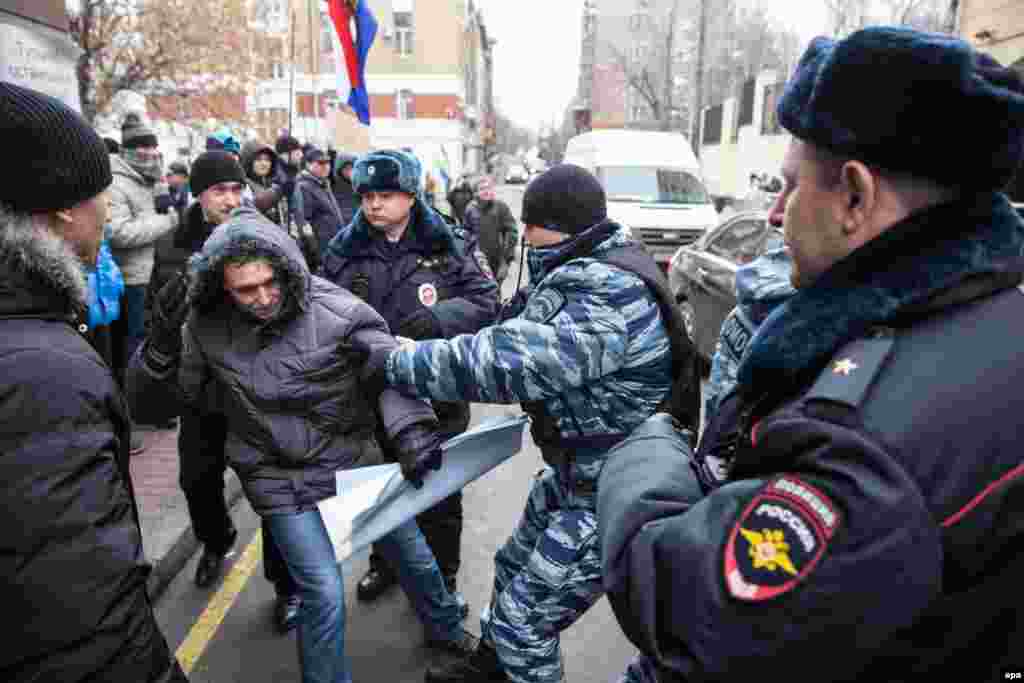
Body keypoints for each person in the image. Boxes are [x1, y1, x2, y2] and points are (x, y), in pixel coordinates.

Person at [596, 26, 1024, 683]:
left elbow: (688, 606)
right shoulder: (987, 314)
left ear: (854, 197)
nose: (774, 213)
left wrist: (644, 448)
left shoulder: (862, 444)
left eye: (790, 186)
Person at [359, 163, 697, 683]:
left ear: (549, 227)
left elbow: (506, 364)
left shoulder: (603, 289)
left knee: (525, 622)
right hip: (578, 472)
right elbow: (509, 330)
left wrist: (401, 362)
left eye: (529, 226)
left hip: (613, 491)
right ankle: (493, 671)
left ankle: (514, 665)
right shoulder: (587, 266)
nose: (524, 237)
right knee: (512, 567)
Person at [130, 207, 476, 683]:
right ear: (222, 288)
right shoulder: (204, 328)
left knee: (414, 557)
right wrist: (159, 352)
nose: (262, 298)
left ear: (286, 270)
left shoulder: (339, 311)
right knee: (323, 592)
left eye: (269, 282)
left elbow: (390, 369)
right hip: (276, 476)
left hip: (351, 460)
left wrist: (412, 430)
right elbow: (165, 403)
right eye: (245, 290)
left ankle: (447, 629)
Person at [0, 81, 186, 682]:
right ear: (63, 210)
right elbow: (77, 607)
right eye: (103, 194)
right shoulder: (43, 371)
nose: (109, 210)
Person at [322, 149, 500, 609]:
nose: (374, 204)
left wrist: (436, 320)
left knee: (440, 491)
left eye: (385, 194)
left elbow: (487, 301)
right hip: (371, 390)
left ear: (410, 195)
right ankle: (385, 563)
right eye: (367, 195)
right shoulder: (343, 249)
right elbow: (322, 311)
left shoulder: (448, 243)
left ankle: (443, 577)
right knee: (380, 486)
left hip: (437, 389)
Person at [108, 113, 180, 449]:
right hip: (131, 278)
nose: (151, 154)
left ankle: (152, 407)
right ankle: (129, 417)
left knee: (156, 342)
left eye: (154, 148)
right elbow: (117, 232)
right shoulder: (117, 182)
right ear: (128, 151)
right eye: (144, 148)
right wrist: (166, 222)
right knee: (131, 346)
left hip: (157, 272)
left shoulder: (153, 179)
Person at [463, 176, 518, 285]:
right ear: (475, 193)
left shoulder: (501, 207)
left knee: (495, 290)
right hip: (478, 261)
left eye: (489, 188)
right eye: (482, 189)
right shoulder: (470, 209)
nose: (486, 191)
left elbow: (512, 232)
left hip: (498, 260)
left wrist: (506, 261)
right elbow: (465, 234)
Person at [297, 146, 346, 262]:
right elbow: (304, 222)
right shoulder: (303, 187)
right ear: (308, 164)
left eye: (327, 163)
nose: (326, 166)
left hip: (334, 247)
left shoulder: (323, 183)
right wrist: (315, 251)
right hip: (322, 252)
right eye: (320, 163)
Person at [240, 141, 296, 229]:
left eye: (267, 160)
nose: (264, 163)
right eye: (258, 159)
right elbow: (248, 208)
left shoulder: (272, 184)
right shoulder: (242, 184)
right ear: (248, 161)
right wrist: (278, 191)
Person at [332, 151, 361, 227]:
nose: (350, 172)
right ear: (340, 171)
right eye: (346, 169)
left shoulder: (361, 184)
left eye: (352, 168)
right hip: (344, 225)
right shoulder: (334, 186)